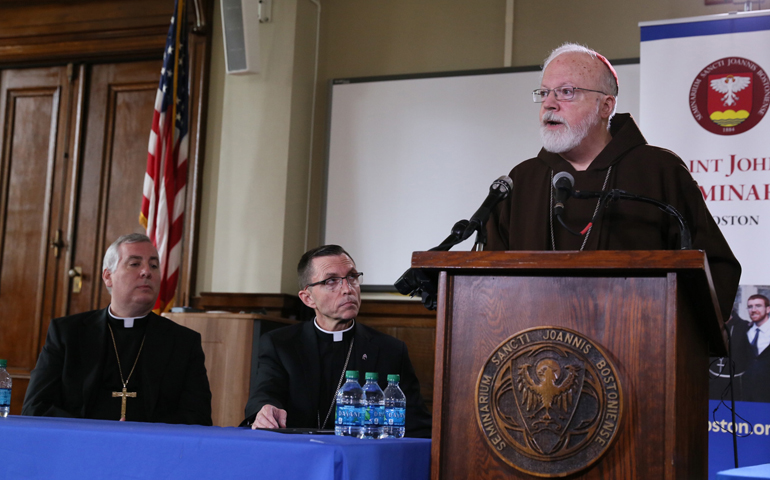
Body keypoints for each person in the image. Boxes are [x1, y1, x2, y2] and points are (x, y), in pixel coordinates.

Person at [486, 43, 741, 322]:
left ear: (606, 106)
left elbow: (715, 271)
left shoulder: (658, 170)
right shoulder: (523, 179)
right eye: (545, 92)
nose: (549, 103)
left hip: (636, 350)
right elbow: (488, 278)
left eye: (567, 92)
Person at [241, 245, 432, 437]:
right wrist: (265, 409)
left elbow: (416, 423)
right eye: (331, 281)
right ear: (308, 298)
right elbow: (265, 392)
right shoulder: (281, 344)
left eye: (352, 277)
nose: (347, 289)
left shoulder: (389, 350)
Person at [22, 233, 212, 425]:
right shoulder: (67, 333)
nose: (147, 272)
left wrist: (144, 434)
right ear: (108, 276)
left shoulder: (183, 342)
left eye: (153, 265)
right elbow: (35, 407)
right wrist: (95, 434)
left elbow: (198, 417)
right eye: (135, 264)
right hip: (79, 448)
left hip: (152, 450)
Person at [730, 294, 770, 401]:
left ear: (768, 309)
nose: (753, 310)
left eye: (758, 306)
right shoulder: (746, 330)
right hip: (748, 393)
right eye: (750, 307)